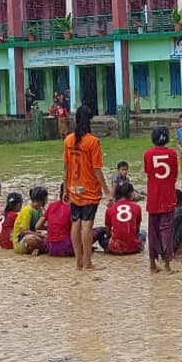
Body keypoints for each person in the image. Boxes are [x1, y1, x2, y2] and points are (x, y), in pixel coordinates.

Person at [63, 106, 111, 271]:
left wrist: (65, 189)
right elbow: (97, 169)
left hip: (73, 187)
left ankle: (78, 263)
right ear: (90, 121)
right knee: (87, 225)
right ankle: (88, 263)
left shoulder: (68, 140)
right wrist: (106, 191)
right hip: (89, 189)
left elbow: (66, 167)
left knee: (75, 223)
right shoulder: (93, 141)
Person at [144, 125, 179, 273]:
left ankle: (152, 263)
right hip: (168, 197)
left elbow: (147, 171)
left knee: (153, 231)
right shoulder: (172, 154)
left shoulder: (147, 154)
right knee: (167, 231)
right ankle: (167, 264)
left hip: (153, 198)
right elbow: (175, 174)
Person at [96, 182, 145, 256]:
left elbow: (108, 231)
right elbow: (137, 229)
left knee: (101, 234)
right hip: (133, 248)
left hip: (115, 248)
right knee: (143, 232)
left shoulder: (110, 209)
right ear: (130, 193)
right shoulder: (137, 207)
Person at [38, 184, 73, 257]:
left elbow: (38, 226)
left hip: (51, 248)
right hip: (66, 247)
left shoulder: (51, 205)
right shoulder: (73, 207)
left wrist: (50, 228)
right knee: (99, 230)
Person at [13, 187, 47, 255]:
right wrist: (40, 236)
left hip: (33, 235)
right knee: (31, 238)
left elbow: (39, 227)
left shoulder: (40, 210)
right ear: (43, 199)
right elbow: (24, 231)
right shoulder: (27, 210)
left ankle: (39, 248)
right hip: (21, 242)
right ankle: (43, 248)